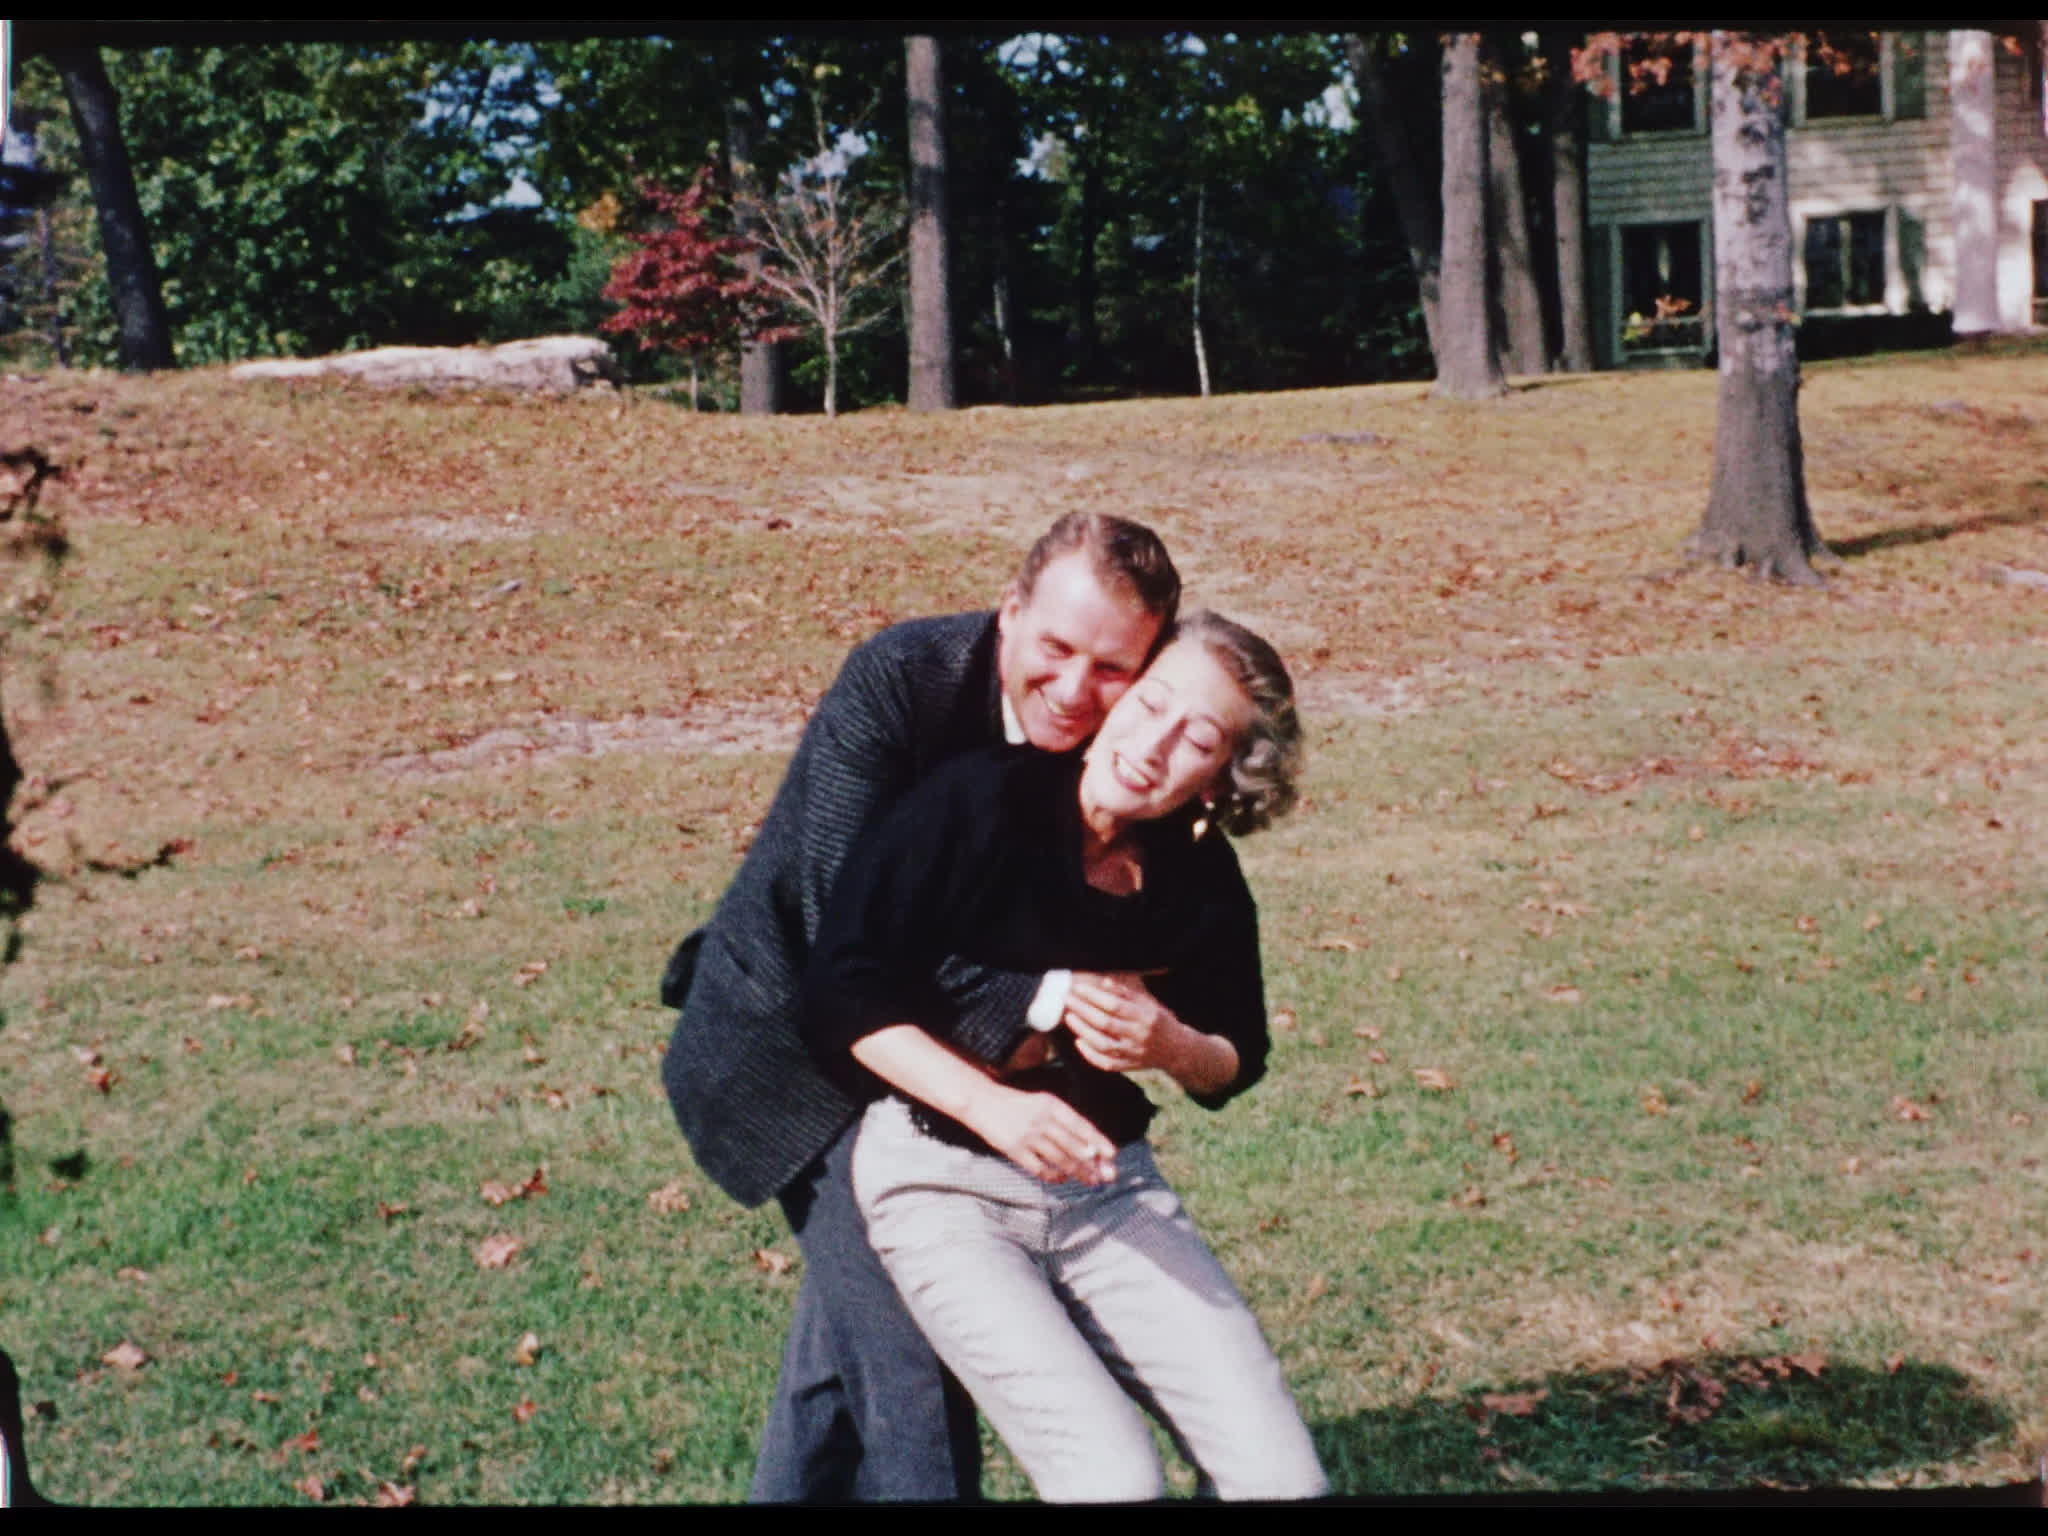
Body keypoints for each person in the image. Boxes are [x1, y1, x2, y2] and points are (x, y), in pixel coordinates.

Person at [660, 512, 1180, 1502]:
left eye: (1113, 669)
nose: (1075, 691)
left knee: (837, 1368)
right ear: (1008, 612)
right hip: (793, 1048)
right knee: (914, 1367)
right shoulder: (900, 681)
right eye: (1054, 648)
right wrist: (1045, 998)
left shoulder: (1128, 741)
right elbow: (835, 942)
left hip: (941, 1071)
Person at [803, 611, 1328, 1503]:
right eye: (1152, 702)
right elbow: (839, 991)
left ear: (1218, 782)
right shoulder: (975, 799)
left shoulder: (1199, 879)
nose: (1154, 744)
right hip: (944, 1183)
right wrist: (996, 1106)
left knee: (1281, 1479)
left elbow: (1239, 1057)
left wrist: (1173, 1044)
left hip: (1108, 1194)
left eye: (1196, 738)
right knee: (1112, 1480)